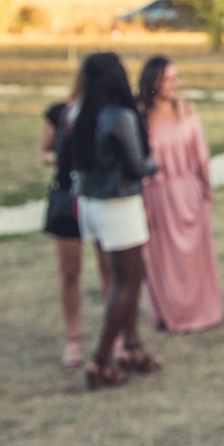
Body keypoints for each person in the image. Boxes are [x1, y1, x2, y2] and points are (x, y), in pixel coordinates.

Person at [70, 52, 161, 390]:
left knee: (129, 277)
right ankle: (101, 359)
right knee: (126, 282)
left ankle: (133, 346)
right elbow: (136, 166)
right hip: (119, 203)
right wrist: (156, 165)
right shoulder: (118, 116)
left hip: (92, 203)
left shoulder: (82, 113)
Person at [135, 57, 224, 334]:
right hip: (157, 194)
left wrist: (207, 187)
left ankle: (201, 310)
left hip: (188, 190)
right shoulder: (140, 116)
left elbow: (201, 154)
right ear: (153, 82)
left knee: (195, 255)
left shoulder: (187, 110)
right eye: (168, 79)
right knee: (164, 256)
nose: (175, 84)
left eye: (177, 78)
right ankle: (171, 313)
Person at [38, 70, 108, 371]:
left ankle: (111, 335)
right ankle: (73, 338)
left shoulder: (110, 114)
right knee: (70, 272)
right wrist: (65, 157)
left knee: (110, 270)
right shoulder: (60, 112)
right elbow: (45, 151)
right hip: (67, 196)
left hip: (101, 197)